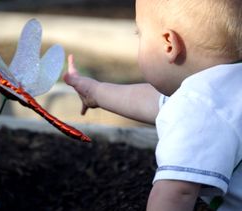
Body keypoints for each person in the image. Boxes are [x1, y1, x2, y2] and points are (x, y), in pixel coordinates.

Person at [63, 0, 242, 210]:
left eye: (139, 34)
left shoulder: (196, 110)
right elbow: (150, 101)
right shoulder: (222, 87)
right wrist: (95, 92)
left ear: (169, 44)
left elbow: (177, 193)